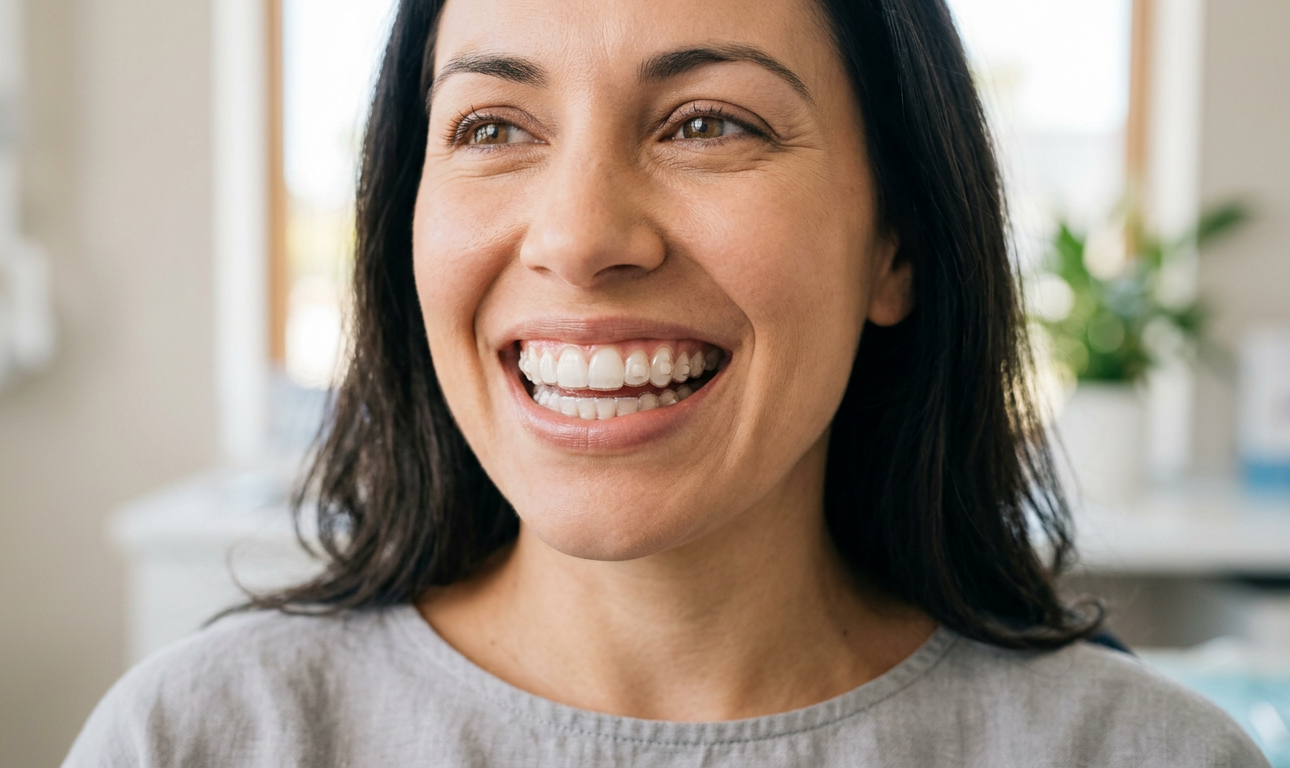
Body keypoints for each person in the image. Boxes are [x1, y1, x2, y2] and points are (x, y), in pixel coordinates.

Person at [63, 0, 1269, 765]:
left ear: (892, 244)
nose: (581, 237)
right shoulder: (200, 739)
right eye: (491, 127)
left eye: (707, 124)